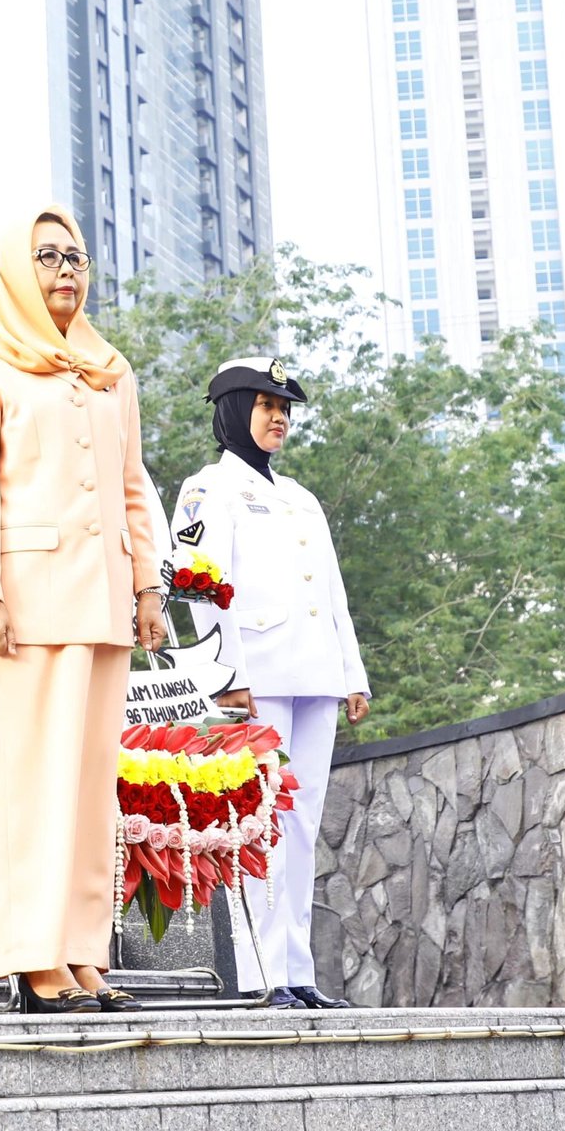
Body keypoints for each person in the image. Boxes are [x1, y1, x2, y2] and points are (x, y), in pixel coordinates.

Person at [0, 204, 167, 1015]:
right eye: (48, 257)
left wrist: (149, 586)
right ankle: (29, 957)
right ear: (15, 270)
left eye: (75, 255)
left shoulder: (111, 368)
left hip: (105, 602)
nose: (67, 270)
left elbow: (135, 486)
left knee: (85, 789)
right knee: (26, 784)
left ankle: (80, 952)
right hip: (25, 609)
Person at [172, 356, 371, 1010]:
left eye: (284, 408)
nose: (279, 417)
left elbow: (333, 592)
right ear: (233, 412)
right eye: (265, 405)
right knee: (257, 824)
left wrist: (351, 674)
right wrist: (223, 674)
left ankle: (298, 972)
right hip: (251, 679)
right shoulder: (207, 489)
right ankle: (263, 976)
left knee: (301, 825)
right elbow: (197, 590)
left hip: (313, 674)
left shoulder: (302, 498)